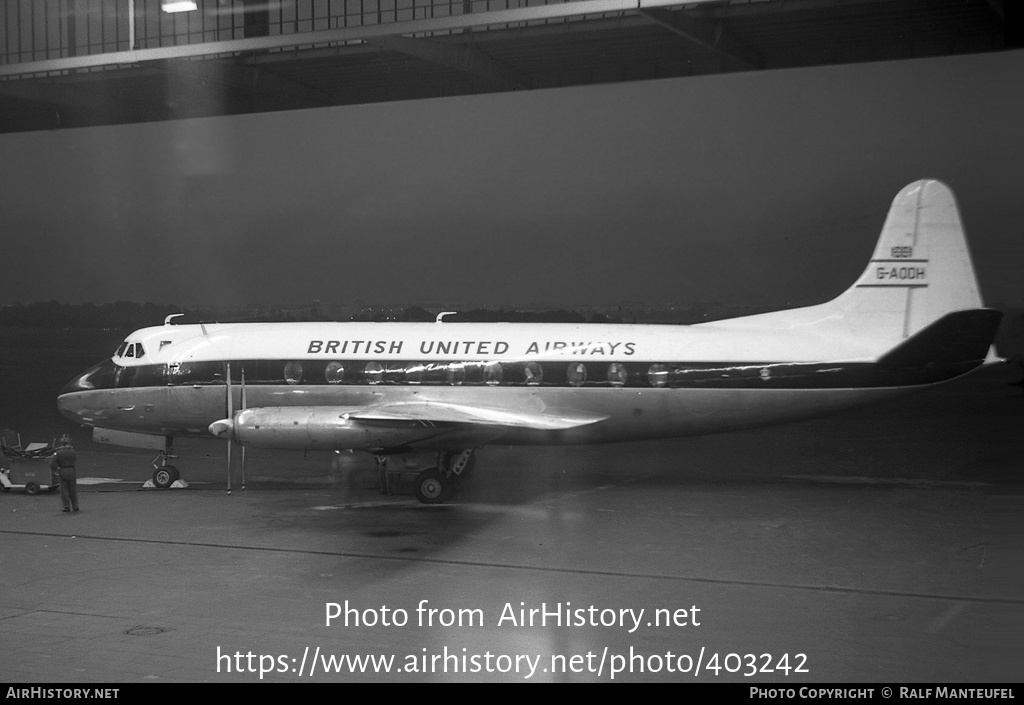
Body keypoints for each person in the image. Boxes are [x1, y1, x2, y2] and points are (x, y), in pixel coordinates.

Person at [50, 435, 78, 512]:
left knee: (64, 489)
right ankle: (75, 506)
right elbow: (75, 459)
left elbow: (52, 463)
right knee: (73, 488)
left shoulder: (58, 452)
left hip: (63, 470)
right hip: (72, 470)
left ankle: (66, 506)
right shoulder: (72, 451)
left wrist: (55, 469)